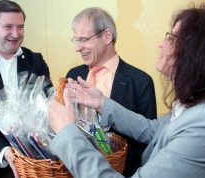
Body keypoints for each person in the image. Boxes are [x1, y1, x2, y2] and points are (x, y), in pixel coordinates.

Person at [48, 1, 205, 178]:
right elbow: (152, 130)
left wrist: (66, 132)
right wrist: (101, 103)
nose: (161, 44)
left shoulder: (204, 124)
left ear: (197, 53)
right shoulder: (190, 107)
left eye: (171, 38)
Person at [66, 7, 157, 175]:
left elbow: (149, 141)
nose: (78, 48)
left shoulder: (141, 82)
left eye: (84, 39)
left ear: (107, 36)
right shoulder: (73, 75)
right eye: (76, 40)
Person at [0, 1, 52, 177]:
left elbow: (48, 104)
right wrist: (3, 150)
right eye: (8, 27)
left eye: (20, 27)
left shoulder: (36, 61)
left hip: (36, 165)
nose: (15, 34)